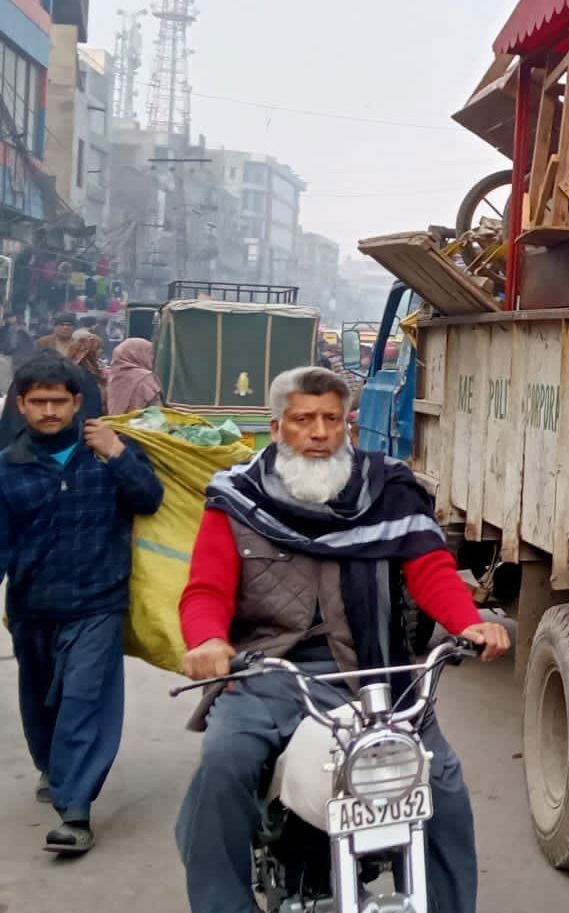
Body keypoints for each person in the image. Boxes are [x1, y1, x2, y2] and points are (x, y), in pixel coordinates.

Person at [175, 366, 511, 913]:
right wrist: (209, 640)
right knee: (223, 764)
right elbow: (205, 589)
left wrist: (466, 621)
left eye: (332, 419)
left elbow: (430, 569)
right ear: (277, 426)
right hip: (267, 674)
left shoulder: (386, 490)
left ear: (348, 425)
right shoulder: (237, 496)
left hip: (372, 674)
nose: (319, 432)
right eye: (303, 419)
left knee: (442, 784)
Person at [0, 353, 164, 853]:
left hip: (98, 600)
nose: (49, 411)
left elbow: (148, 498)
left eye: (58, 402)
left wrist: (117, 453)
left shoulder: (107, 450)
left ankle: (75, 809)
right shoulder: (8, 468)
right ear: (21, 406)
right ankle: (52, 766)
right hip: (33, 605)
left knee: (84, 699)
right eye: (38, 403)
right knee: (39, 697)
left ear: (77, 403)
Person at [106, 337, 162, 414]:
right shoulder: (146, 378)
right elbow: (158, 411)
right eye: (150, 353)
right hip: (140, 424)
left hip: (115, 423)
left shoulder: (114, 376)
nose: (152, 357)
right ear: (141, 354)